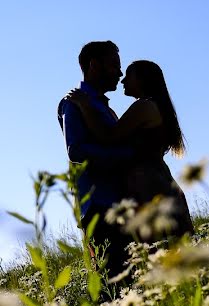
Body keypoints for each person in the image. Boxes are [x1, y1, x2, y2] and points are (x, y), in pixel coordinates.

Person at [65, 59, 194, 244]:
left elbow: (109, 136)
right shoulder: (155, 106)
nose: (123, 80)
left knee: (157, 241)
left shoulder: (144, 106)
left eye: (128, 76)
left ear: (142, 80)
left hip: (147, 183)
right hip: (156, 178)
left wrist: (85, 106)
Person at [58, 41, 134, 283]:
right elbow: (77, 150)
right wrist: (126, 157)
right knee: (114, 283)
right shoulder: (73, 102)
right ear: (93, 65)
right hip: (100, 207)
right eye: (114, 65)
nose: (120, 73)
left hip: (119, 204)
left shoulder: (102, 106)